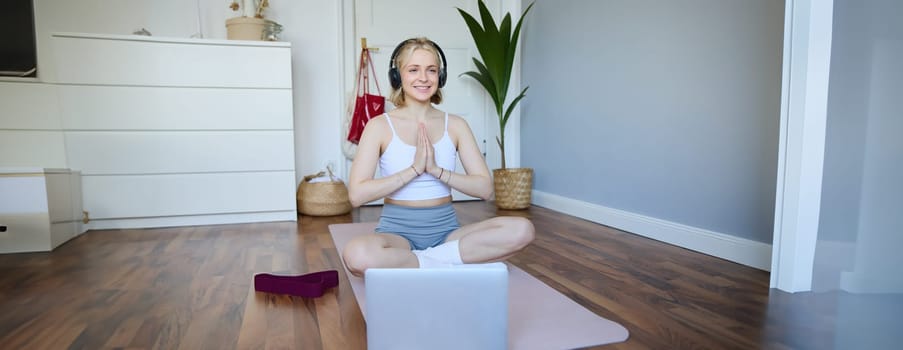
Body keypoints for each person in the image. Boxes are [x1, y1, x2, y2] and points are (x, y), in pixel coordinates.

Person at [342, 37, 535, 277]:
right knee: (357, 255)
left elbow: (485, 189)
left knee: (522, 230)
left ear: (440, 77)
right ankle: (444, 263)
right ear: (397, 76)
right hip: (397, 235)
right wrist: (413, 170)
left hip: (448, 234)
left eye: (431, 70)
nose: (423, 78)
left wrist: (436, 171)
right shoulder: (379, 126)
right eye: (413, 70)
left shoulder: (456, 125)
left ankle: (422, 262)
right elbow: (356, 195)